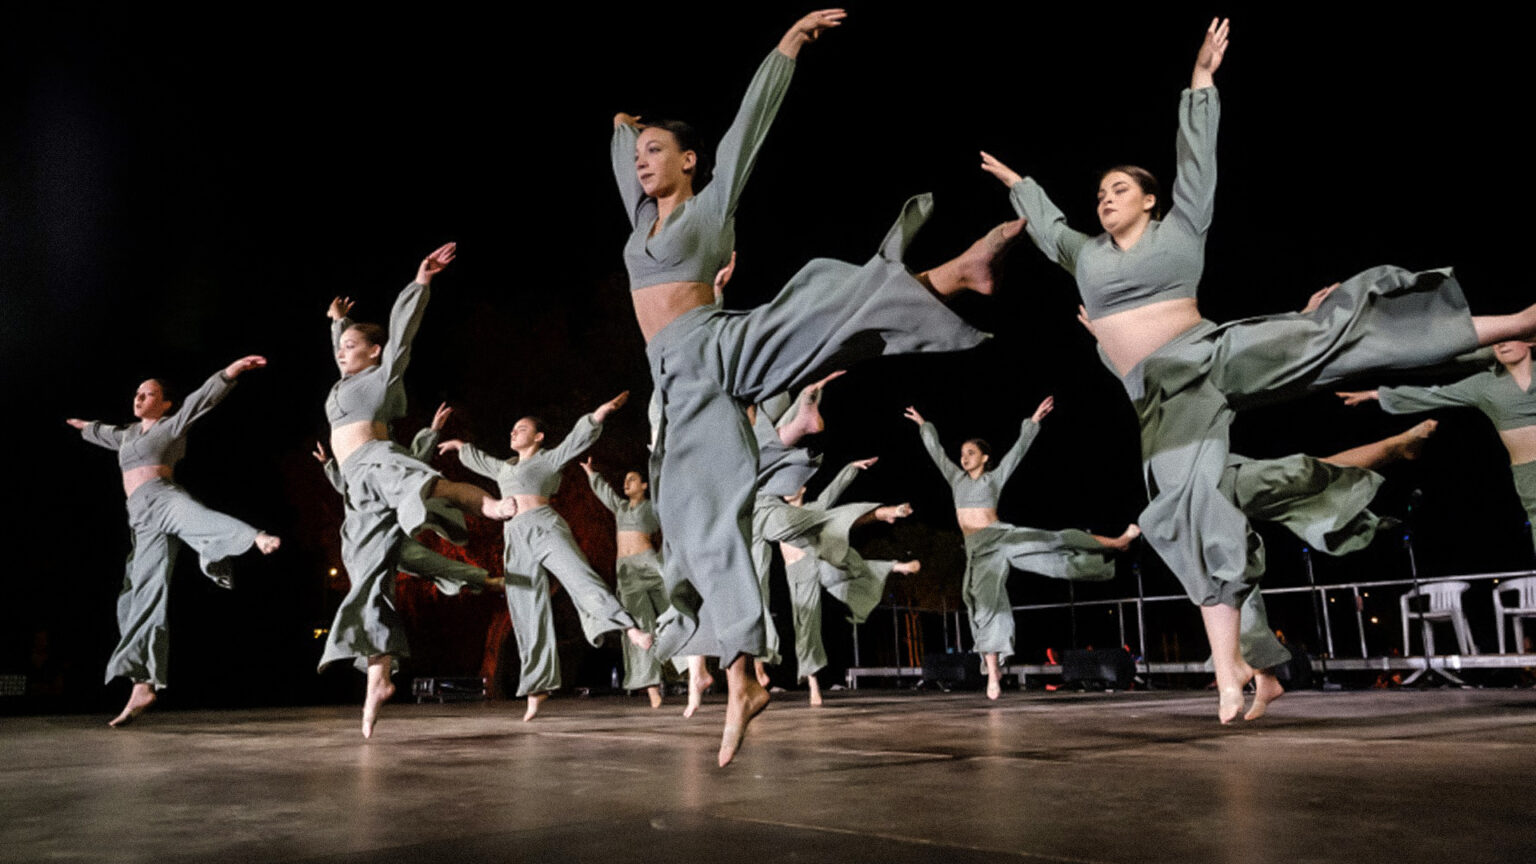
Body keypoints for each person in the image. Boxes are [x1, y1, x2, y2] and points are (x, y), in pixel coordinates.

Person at [980, 18, 1536, 721]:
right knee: (1190, 519)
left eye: (1120, 187)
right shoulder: (1084, 257)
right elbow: (1051, 223)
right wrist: (1019, 183)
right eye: (1101, 191)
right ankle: (1239, 674)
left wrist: (1201, 84)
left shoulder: (1180, 231)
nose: (1106, 195)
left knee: (1326, 336)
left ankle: (1513, 321)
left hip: (1211, 355)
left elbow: (1198, 162)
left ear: (1149, 200)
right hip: (1163, 401)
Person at [613, 8, 1017, 766]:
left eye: (657, 151)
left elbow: (746, 133)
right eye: (639, 154)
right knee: (693, 517)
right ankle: (744, 676)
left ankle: (958, 272)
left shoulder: (706, 206)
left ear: (691, 161)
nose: (642, 162)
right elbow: (619, 152)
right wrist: (625, 126)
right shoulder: (640, 219)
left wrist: (785, 50)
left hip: (709, 343)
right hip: (675, 377)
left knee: (817, 311)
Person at [317, 242, 517, 738]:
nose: (342, 354)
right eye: (340, 350)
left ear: (374, 353)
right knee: (368, 579)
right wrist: (336, 325)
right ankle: (379, 677)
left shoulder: (382, 376)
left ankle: (487, 504)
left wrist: (421, 283)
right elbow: (342, 349)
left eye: (351, 348)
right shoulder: (342, 385)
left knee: (429, 486)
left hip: (378, 461)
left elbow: (402, 335)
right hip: (356, 490)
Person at [68, 356, 280, 727]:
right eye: (137, 393)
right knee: (138, 594)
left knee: (195, 518)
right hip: (140, 517)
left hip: (163, 497)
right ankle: (143, 683)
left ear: (165, 403)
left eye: (148, 394)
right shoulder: (128, 435)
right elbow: (102, 432)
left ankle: (254, 536)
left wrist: (231, 371)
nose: (138, 397)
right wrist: (85, 426)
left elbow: (203, 398)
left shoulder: (172, 424)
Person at [905, 400, 1138, 700]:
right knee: (986, 606)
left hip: (1003, 538)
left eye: (971, 453)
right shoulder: (956, 479)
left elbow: (1018, 452)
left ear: (985, 458)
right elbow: (936, 453)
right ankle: (993, 674)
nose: (964, 457)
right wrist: (924, 425)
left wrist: (1034, 422)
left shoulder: (994, 478)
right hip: (979, 551)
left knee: (1056, 541)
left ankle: (1118, 542)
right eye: (962, 453)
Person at [437, 394, 649, 721]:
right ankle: (537, 689)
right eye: (512, 429)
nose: (513, 432)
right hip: (515, 535)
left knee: (581, 578)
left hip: (546, 527)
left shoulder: (548, 460)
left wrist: (598, 415)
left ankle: (629, 628)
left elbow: (575, 441)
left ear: (538, 437)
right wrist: (459, 446)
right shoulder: (505, 467)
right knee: (525, 606)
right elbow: (480, 460)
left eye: (521, 429)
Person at [1341, 340, 1536, 552]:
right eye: (1497, 342)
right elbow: (1433, 394)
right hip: (1527, 473)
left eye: (1509, 338)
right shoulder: (1484, 385)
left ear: (1529, 341)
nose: (1501, 345)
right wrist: (1377, 394)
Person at [314, 402, 498, 596]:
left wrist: (433, 430)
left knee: (427, 563)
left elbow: (414, 462)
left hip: (395, 525)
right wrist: (329, 464)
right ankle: (483, 580)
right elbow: (346, 487)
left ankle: (484, 580)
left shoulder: (388, 457)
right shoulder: (358, 465)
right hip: (372, 532)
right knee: (397, 569)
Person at [582, 459, 668, 708]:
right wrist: (591, 473)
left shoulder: (654, 507)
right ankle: (652, 689)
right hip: (627, 571)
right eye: (625, 480)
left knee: (674, 609)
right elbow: (604, 492)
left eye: (632, 479)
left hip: (650, 563)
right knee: (639, 625)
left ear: (644, 485)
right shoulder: (620, 507)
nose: (626, 483)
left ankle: (695, 669)